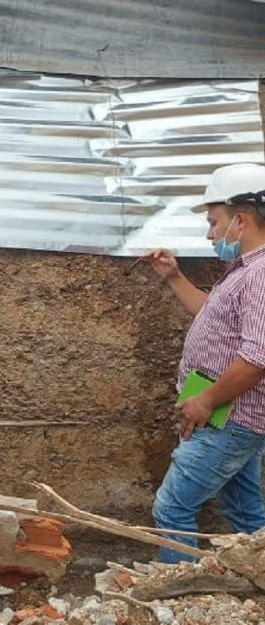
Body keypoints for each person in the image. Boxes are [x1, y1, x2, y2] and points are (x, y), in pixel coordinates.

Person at [145, 163, 265, 562]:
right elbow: (212, 315)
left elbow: (257, 358)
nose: (210, 233)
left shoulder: (261, 274)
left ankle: (181, 604)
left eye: (215, 223)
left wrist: (206, 399)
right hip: (233, 417)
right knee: (246, 514)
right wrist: (174, 276)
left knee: (171, 508)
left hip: (230, 417)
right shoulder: (244, 270)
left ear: (241, 221)